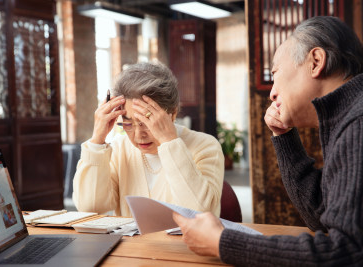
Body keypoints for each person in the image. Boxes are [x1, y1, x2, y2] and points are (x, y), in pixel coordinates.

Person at [173, 16, 363, 265]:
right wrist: (283, 137)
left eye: (275, 74)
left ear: (316, 62)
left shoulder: (357, 122)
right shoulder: (347, 117)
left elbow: (345, 253)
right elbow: (321, 216)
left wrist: (222, 242)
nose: (272, 92)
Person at [73, 62, 224, 217]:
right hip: (131, 242)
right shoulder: (120, 148)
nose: (139, 135)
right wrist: (97, 141)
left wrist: (169, 141)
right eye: (128, 122)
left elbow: (200, 212)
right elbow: (91, 207)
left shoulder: (205, 146)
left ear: (172, 113)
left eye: (147, 121)